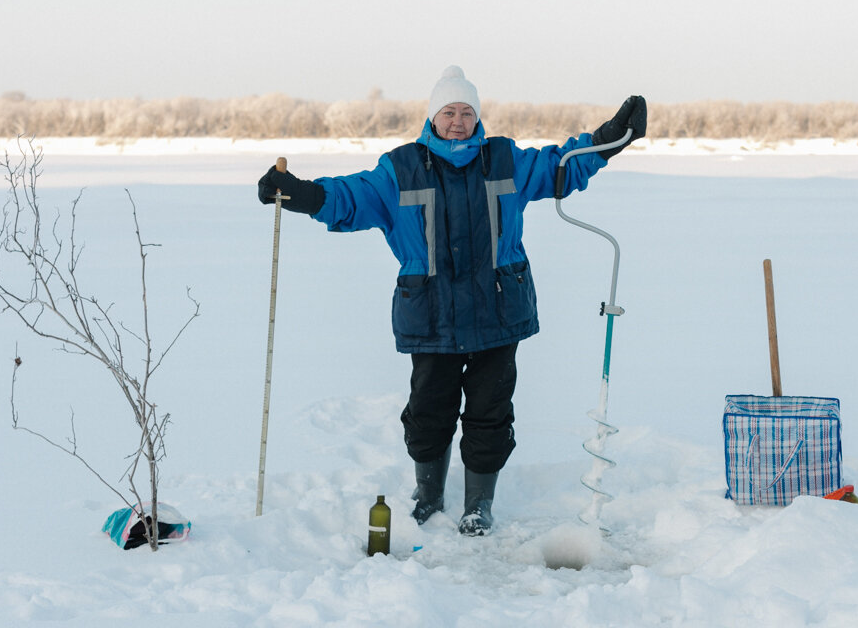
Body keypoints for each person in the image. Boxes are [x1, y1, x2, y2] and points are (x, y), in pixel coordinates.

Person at [257, 66, 646, 536]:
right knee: (428, 411)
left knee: (491, 411)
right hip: (432, 315)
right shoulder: (400, 168)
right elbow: (349, 197)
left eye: (466, 112)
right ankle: (428, 493)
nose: (458, 121)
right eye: (449, 112)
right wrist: (301, 193)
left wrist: (609, 139)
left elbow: (561, 164)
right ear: (432, 118)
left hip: (498, 311)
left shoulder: (506, 160)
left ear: (477, 117)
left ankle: (479, 503)